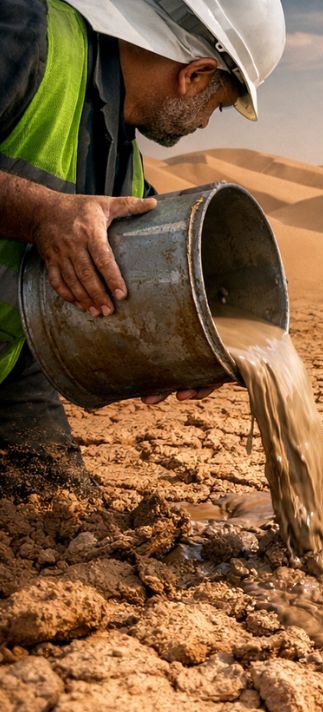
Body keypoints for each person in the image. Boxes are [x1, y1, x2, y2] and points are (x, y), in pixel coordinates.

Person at [0, 0, 285, 497]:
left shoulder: (122, 168)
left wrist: (200, 350)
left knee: (59, 505)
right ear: (195, 74)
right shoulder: (24, 31)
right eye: (215, 108)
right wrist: (41, 213)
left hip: (12, 368)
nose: (203, 126)